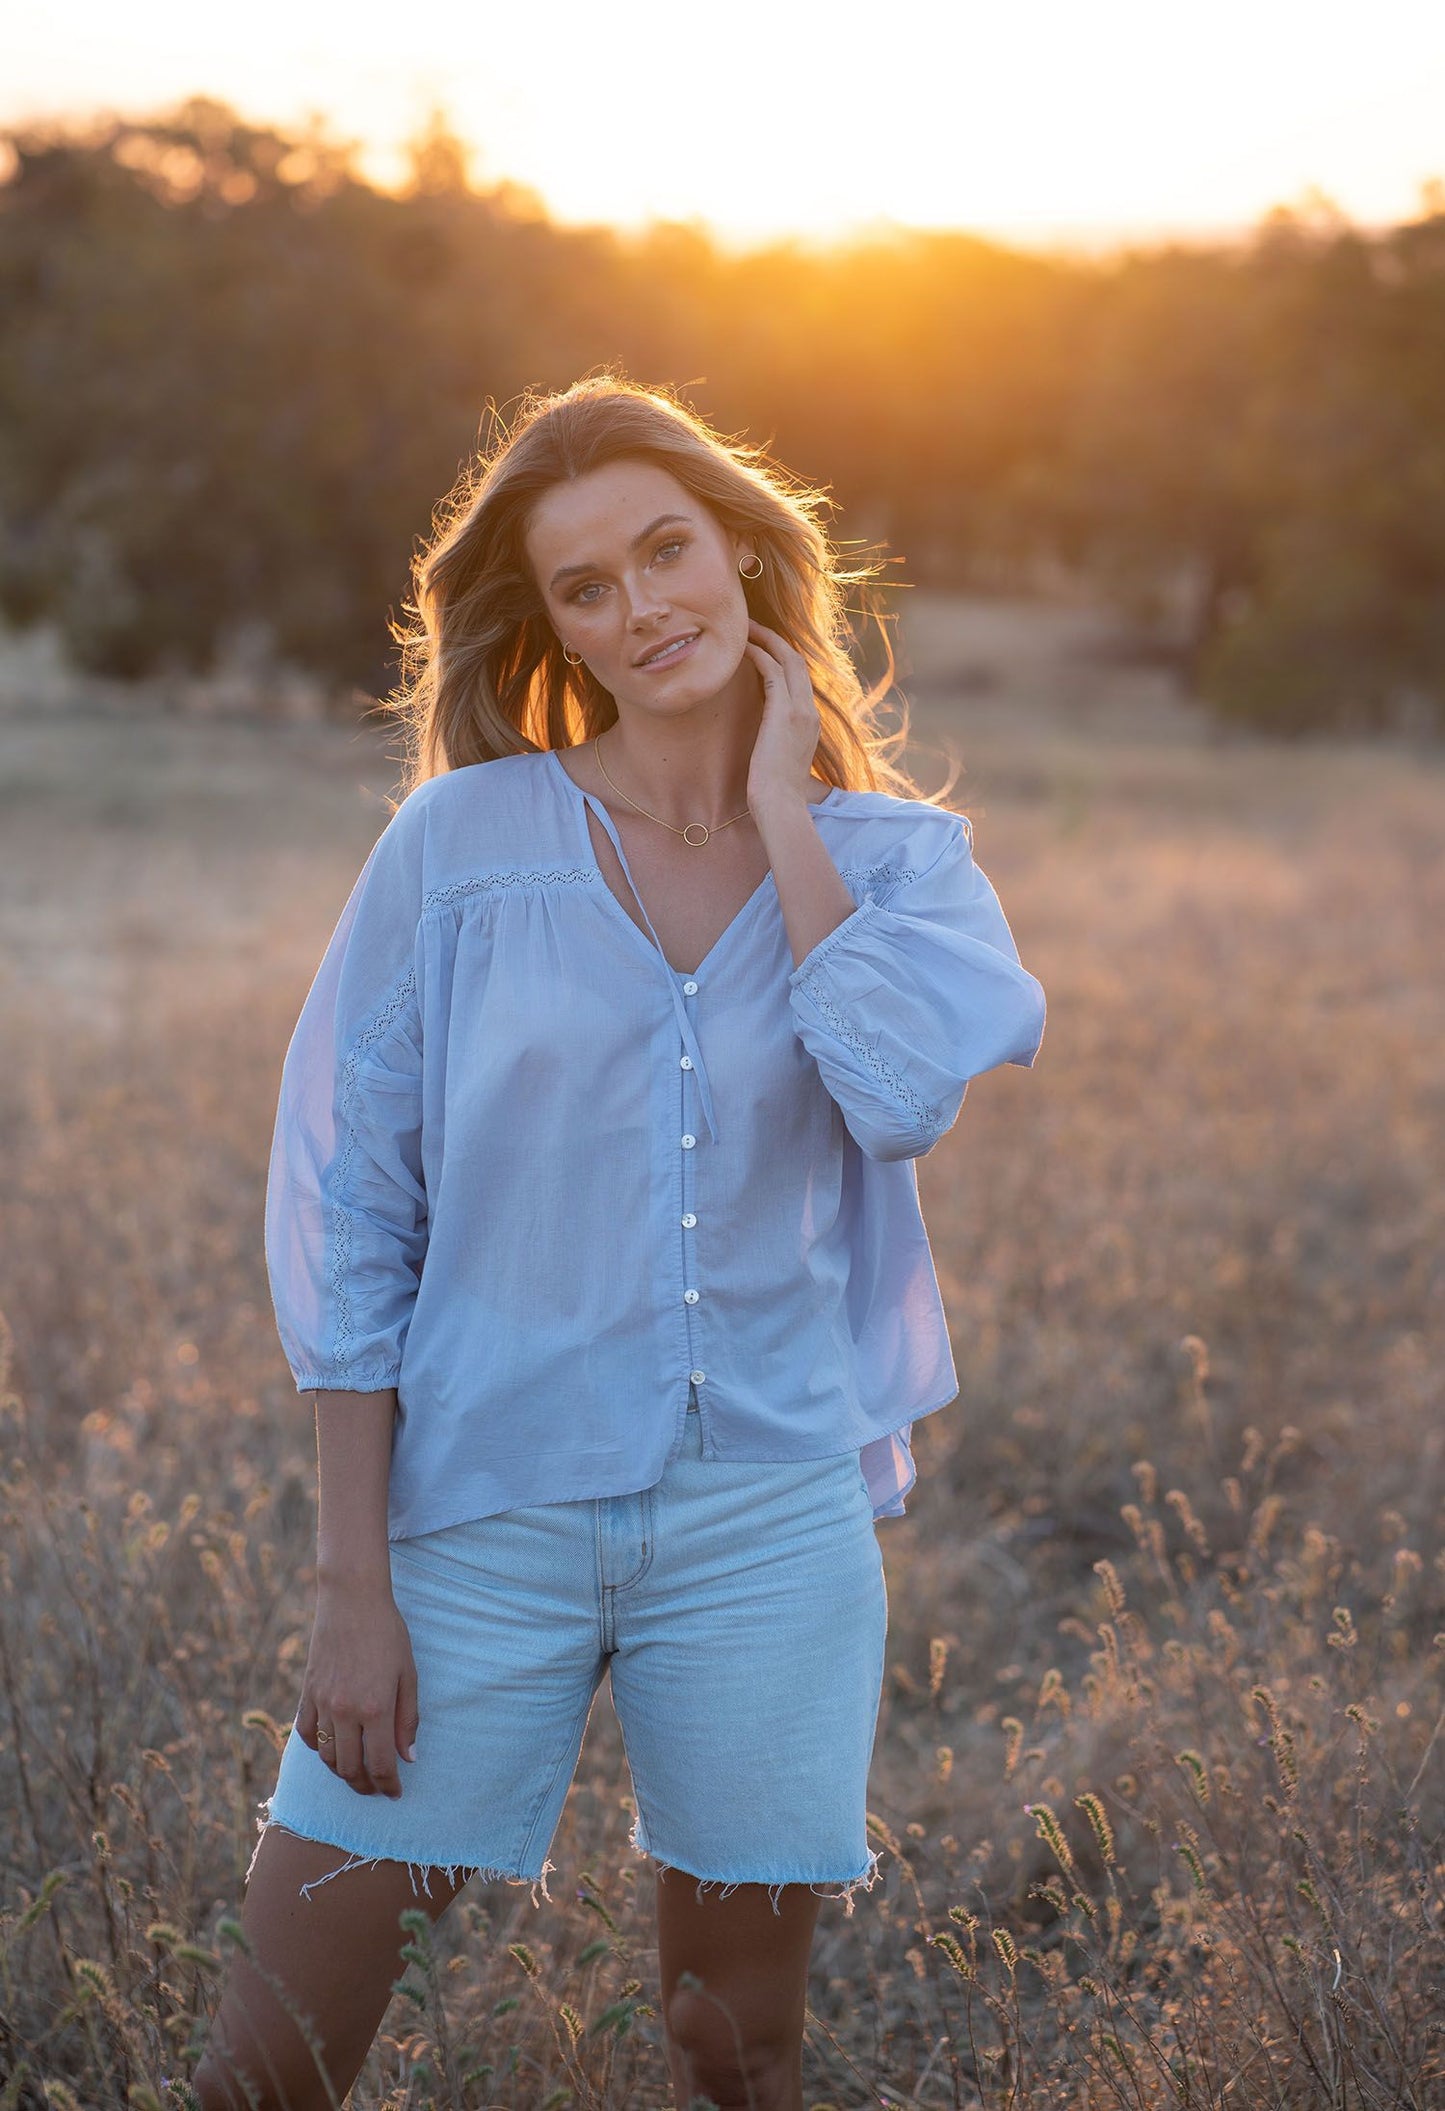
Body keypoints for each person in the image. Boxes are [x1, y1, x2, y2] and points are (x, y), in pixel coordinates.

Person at [195, 374, 1046, 2110]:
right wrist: (352, 1587)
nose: (641, 605)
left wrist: (783, 805)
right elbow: (358, 1212)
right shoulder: (462, 848)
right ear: (554, 626)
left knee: (739, 2053)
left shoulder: (899, 866)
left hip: (765, 1523)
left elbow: (891, 1095)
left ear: (742, 548)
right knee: (271, 2063)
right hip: (476, 1506)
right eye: (587, 586)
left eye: (666, 549)